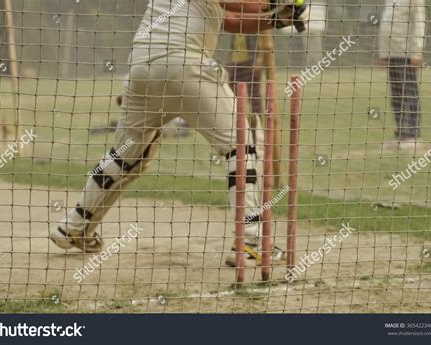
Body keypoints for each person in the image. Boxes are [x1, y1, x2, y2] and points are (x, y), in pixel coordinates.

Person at [49, 1, 308, 267]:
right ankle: (251, 243)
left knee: (126, 159)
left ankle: (73, 227)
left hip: (142, 70)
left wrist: (274, 19)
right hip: (184, 66)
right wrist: (274, 3)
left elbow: (228, 18)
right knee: (244, 141)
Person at [378, 0, 426, 151]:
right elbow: (386, 25)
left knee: (409, 94)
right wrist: (383, 53)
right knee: (397, 96)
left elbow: (419, 23)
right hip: (392, 54)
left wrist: (416, 52)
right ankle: (401, 134)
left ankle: (413, 135)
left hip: (406, 53)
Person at [226, 32, 265, 115]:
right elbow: (232, 47)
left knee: (254, 95)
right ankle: (235, 119)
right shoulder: (235, 28)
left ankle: (256, 122)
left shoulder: (253, 26)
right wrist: (228, 63)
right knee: (232, 95)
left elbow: (263, 44)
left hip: (250, 63)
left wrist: (259, 60)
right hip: (235, 64)